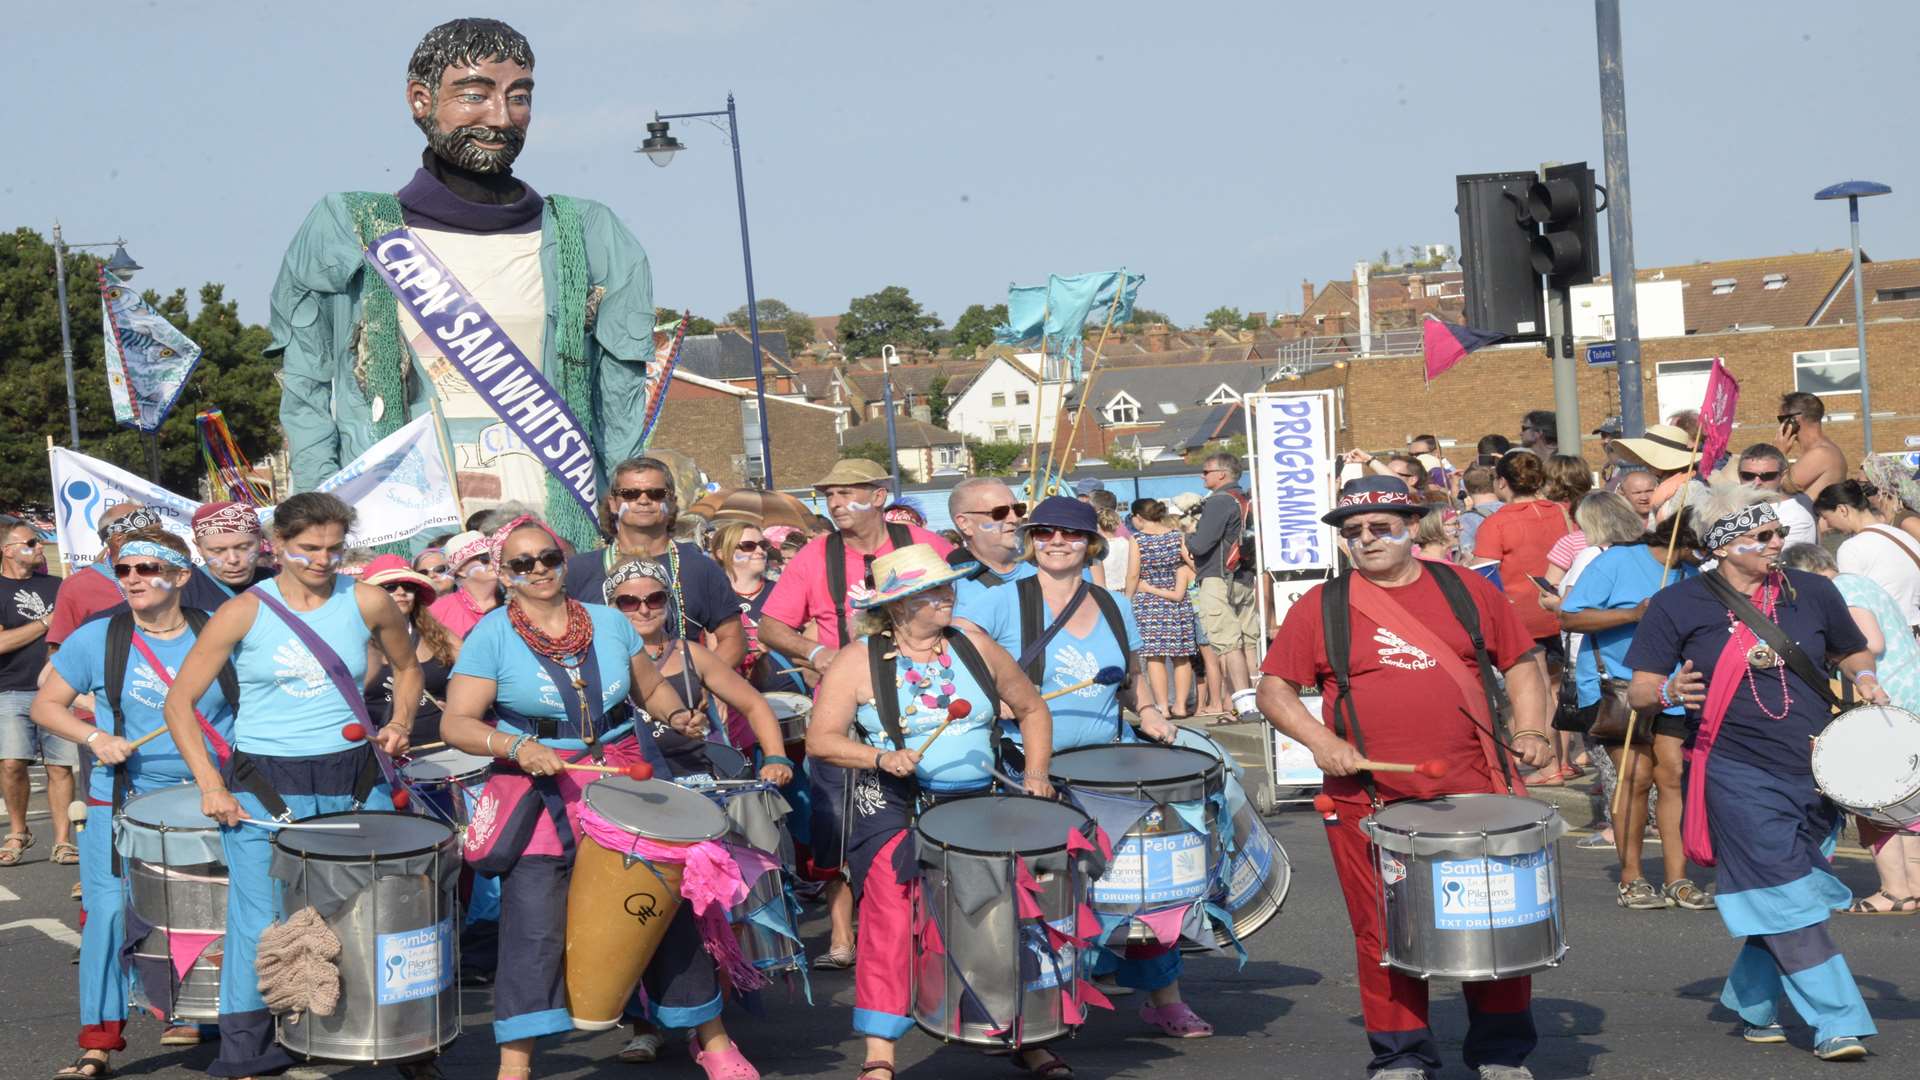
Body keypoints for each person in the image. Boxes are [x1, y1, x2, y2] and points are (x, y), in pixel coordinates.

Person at [269, 18, 656, 550]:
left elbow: (619, 401)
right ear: (420, 99)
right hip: (407, 546)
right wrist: (319, 527)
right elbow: (306, 390)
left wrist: (625, 523)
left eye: (518, 97)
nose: (500, 116)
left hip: (559, 543)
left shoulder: (587, 233)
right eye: (475, 94)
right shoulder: (350, 226)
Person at [1258, 474, 1556, 1080]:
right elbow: (1273, 689)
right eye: (1353, 532)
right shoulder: (1323, 605)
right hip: (1368, 799)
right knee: (1381, 934)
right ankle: (1401, 1056)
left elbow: (1522, 663)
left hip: (1476, 790)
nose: (1367, 540)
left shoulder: (1467, 589)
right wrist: (1322, 742)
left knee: (1496, 920)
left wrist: (1531, 731)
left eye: (1381, 527)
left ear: (1411, 528)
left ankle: (1500, 1054)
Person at [160, 492, 423, 1078]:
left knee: (377, 912)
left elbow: (409, 667)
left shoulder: (368, 600)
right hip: (265, 783)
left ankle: (404, 1037)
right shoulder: (243, 611)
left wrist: (400, 722)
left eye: (333, 548)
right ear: (277, 546)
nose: (323, 559)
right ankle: (247, 1053)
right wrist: (210, 784)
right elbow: (179, 703)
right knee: (261, 921)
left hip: (353, 776)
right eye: (308, 548)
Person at [1625, 485, 1880, 1061]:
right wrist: (1667, 690)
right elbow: (1640, 687)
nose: (1775, 545)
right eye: (1760, 537)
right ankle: (1838, 1020)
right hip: (1733, 771)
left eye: (1777, 534)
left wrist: (1864, 679)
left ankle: (1752, 1003)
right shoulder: (1678, 604)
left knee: (1782, 889)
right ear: (1722, 545)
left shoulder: (1812, 591)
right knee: (1785, 892)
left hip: (1819, 768)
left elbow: (1851, 651)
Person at [803, 544, 1060, 1080]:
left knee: (1002, 916)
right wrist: (878, 756)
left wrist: (1035, 774)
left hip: (976, 800)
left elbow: (1033, 707)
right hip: (893, 803)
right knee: (891, 919)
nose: (948, 597)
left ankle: (1021, 1031)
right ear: (898, 606)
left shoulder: (974, 644)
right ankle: (880, 1050)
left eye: (948, 587)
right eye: (933, 592)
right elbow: (821, 740)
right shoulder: (857, 660)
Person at [958, 498, 1210, 1034]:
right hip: (1028, 770)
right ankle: (1042, 1005)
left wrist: (1149, 713)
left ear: (1091, 543)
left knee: (1140, 887)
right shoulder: (998, 602)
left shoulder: (1114, 603)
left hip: (1106, 770)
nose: (1056, 542)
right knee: (1043, 894)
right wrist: (993, 700)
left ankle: (1164, 996)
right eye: (1044, 532)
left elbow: (1132, 676)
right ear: (1031, 539)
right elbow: (959, 666)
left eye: (1069, 534)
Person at [30, 532, 238, 1076]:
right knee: (110, 912)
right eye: (123, 570)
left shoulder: (219, 634)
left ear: (182, 576)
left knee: (217, 913)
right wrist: (94, 739)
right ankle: (98, 1039)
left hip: (211, 793)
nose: (133, 579)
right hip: (122, 796)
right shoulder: (98, 638)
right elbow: (45, 706)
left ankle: (219, 1018)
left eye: (147, 567)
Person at [756, 458, 950, 971]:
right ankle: (842, 934)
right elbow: (771, 626)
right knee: (837, 823)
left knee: (924, 818)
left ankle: (921, 925)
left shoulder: (923, 546)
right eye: (830, 496)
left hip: (921, 706)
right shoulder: (818, 555)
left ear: (880, 495)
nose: (836, 504)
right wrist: (818, 655)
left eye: (847, 493)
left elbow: (962, 607)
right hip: (844, 713)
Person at [603, 557, 790, 1070]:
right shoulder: (598, 661)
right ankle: (644, 1025)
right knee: (639, 914)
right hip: (631, 802)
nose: (643, 609)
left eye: (654, 599)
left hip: (695, 798)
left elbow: (756, 706)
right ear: (611, 608)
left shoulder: (692, 655)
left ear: (669, 603)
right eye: (628, 602)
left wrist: (774, 758)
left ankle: (702, 1019)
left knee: (700, 916)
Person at [1556, 498, 1710, 910]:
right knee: (1636, 776)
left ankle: (1678, 879)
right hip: (1618, 687)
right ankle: (1632, 878)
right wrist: (1633, 615)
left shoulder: (1694, 574)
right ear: (1688, 536)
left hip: (1674, 688)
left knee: (1673, 776)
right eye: (1708, 543)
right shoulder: (1618, 562)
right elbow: (1570, 617)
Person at [1777, 542, 1920, 915]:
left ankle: (1895, 890)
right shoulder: (1859, 583)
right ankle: (1911, 886)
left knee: (1875, 798)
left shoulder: (1843, 589)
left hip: (1886, 696)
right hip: (1903, 691)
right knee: (1905, 802)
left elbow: (1869, 642)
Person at [564, 456, 745, 667]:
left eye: (656, 494)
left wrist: (705, 680)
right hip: (610, 695)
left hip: (684, 692)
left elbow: (734, 639)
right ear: (613, 504)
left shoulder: (700, 567)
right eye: (630, 494)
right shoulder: (579, 570)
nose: (643, 500)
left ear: (672, 502)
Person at [1470, 452, 1571, 689]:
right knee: (1558, 689)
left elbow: (1482, 577)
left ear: (1502, 482)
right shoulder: (1561, 511)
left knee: (1536, 691)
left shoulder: (1496, 523)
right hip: (1562, 607)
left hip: (1522, 618)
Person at [0, 515, 67, 869]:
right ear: (7, 550)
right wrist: (45, 622)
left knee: (60, 766)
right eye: (31, 543)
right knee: (12, 764)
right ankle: (18, 830)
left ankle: (62, 840)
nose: (39, 547)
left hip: (57, 690)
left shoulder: (58, 585)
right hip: (11, 688)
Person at [1187, 453, 1262, 711]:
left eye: (1205, 471)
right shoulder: (1245, 499)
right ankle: (1260, 701)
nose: (1202, 475)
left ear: (1221, 474)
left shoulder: (1219, 501)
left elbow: (1201, 544)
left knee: (1228, 644)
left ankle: (1245, 706)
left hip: (1218, 577)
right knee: (1248, 642)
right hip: (1244, 577)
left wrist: (1186, 538)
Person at [361, 555, 459, 746]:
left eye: (408, 587)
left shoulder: (439, 634)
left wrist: (458, 704)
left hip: (444, 746)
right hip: (386, 750)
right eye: (390, 587)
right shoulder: (357, 641)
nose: (401, 592)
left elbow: (477, 674)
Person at [1815, 480, 1920, 632]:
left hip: (1890, 632)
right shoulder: (1902, 535)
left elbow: (1854, 605)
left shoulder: (1851, 548)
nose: (1828, 524)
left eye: (1826, 517)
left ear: (1843, 510)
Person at [1127, 499, 1198, 720]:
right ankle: (1180, 706)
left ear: (1138, 517)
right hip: (1177, 601)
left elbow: (1132, 574)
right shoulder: (1177, 536)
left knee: (1154, 657)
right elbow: (1194, 564)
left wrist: (1127, 600)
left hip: (1148, 602)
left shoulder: (1137, 539)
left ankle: (1162, 707)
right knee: (1181, 656)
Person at [945, 477, 1032, 593]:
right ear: (964, 523)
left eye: (1018, 509)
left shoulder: (1048, 568)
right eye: (1000, 512)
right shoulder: (949, 589)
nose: (1014, 519)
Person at [1734, 444, 1818, 544]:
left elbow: (1774, 556)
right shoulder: (1731, 508)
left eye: (1767, 476)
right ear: (1739, 475)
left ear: (1783, 475)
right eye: (1748, 475)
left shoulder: (1795, 517)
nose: (1756, 482)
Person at [429, 529, 504, 639]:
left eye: (495, 555)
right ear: (461, 570)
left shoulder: (517, 597)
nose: (494, 561)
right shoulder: (437, 612)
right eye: (485, 558)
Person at [1777, 392, 1846, 504]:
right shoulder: (1823, 449)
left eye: (1781, 420)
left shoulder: (1821, 453)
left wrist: (1778, 453)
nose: (1780, 426)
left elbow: (1780, 486)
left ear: (1794, 420)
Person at [1457, 465, 1503, 557]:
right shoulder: (1512, 509)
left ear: (1466, 488)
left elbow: (1467, 555)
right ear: (1495, 483)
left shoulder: (1466, 519)